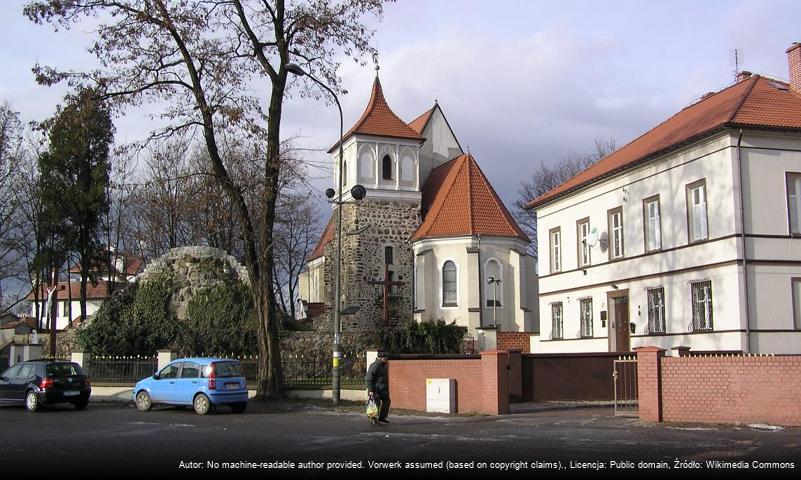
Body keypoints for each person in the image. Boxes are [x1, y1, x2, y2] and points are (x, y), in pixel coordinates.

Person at [365, 350, 391, 424]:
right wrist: (370, 390)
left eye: (386, 357)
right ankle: (373, 419)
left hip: (383, 389)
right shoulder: (375, 365)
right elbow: (369, 379)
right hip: (376, 389)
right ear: (380, 357)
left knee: (387, 401)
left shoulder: (384, 365)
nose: (386, 358)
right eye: (385, 357)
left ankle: (382, 417)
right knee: (376, 403)